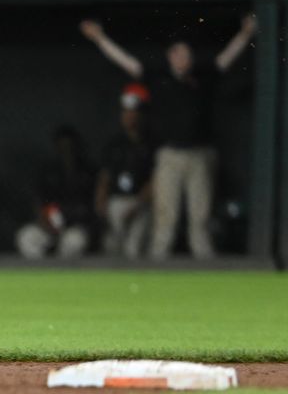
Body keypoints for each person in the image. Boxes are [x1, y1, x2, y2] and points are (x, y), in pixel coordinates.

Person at [80, 15, 257, 259]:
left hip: (200, 154)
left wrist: (245, 35)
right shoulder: (158, 77)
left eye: (187, 54)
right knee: (166, 217)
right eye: (178, 54)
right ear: (170, 56)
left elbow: (227, 58)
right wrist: (100, 38)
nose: (183, 58)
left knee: (200, 217)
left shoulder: (204, 77)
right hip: (169, 155)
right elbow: (126, 62)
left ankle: (206, 266)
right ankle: (158, 264)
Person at [16, 126, 96, 259]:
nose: (66, 150)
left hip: (74, 227)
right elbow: (39, 201)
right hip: (49, 225)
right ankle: (40, 275)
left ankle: (65, 276)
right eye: (62, 146)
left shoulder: (88, 172)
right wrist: (45, 222)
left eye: (69, 146)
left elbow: (91, 208)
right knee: (26, 237)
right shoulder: (49, 172)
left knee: (73, 242)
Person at [95, 84, 156, 259]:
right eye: (125, 111)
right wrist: (100, 201)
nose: (128, 116)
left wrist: (138, 204)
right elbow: (104, 177)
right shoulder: (115, 144)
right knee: (112, 246)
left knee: (133, 249)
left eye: (133, 112)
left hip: (141, 202)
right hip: (117, 202)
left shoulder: (152, 143)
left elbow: (155, 180)